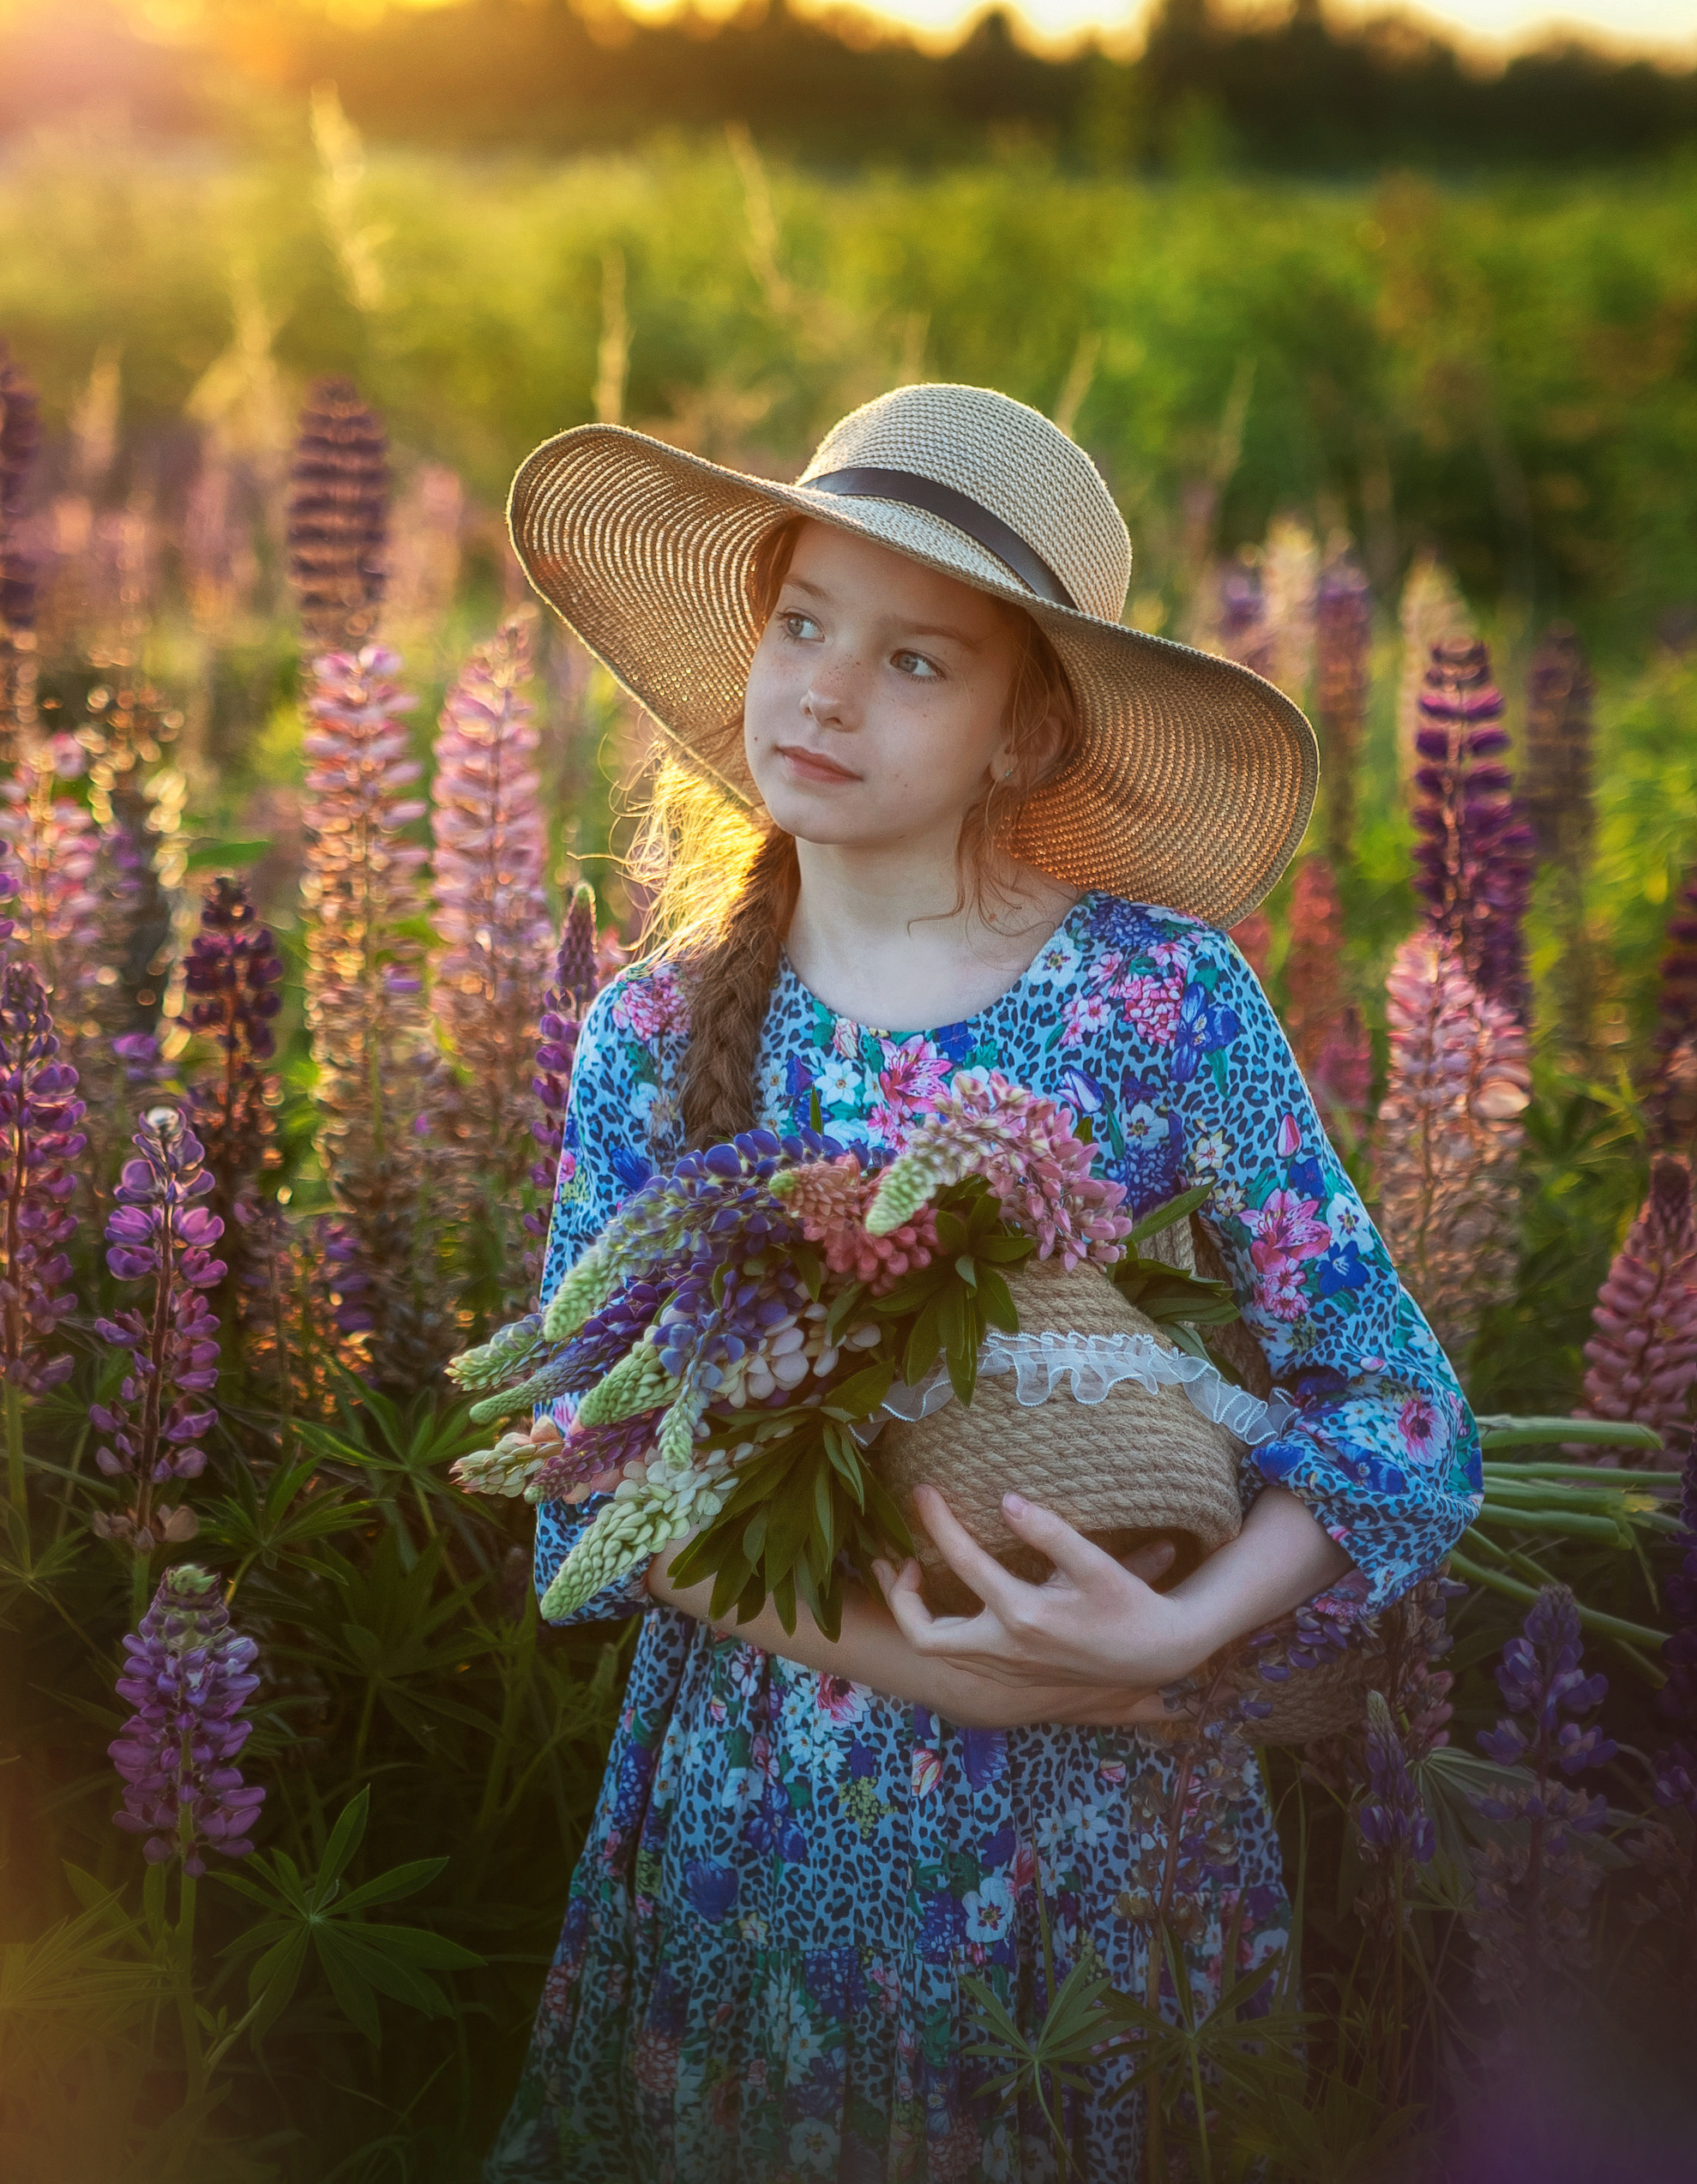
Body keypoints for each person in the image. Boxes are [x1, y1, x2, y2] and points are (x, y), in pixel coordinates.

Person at [484, 384, 1479, 2181]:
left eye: (918, 661)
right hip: (768, 1811)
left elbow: (1392, 1407)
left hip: (1112, 1820)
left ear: (1030, 730)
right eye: (802, 624)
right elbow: (593, 1467)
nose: (829, 690)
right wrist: (960, 1674)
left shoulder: (1158, 996)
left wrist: (1174, 1635)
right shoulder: (648, 1032)